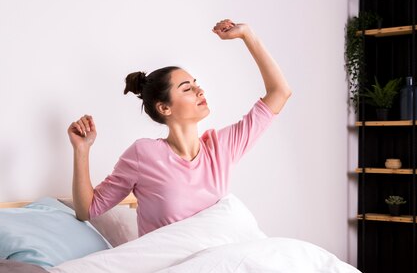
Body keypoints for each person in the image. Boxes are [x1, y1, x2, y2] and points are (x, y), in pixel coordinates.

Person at [67, 19, 291, 236]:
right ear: (164, 108)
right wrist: (81, 150)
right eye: (187, 89)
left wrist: (247, 35)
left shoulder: (221, 148)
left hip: (215, 263)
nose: (200, 91)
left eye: (197, 85)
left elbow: (280, 92)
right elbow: (87, 210)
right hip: (169, 268)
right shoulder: (143, 154)